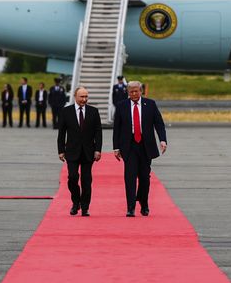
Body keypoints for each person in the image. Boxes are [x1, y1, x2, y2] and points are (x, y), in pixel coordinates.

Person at [112, 81, 167, 217]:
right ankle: (130, 207)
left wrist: (162, 139)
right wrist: (116, 147)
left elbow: (158, 123)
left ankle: (143, 202)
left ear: (141, 91)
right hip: (129, 146)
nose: (134, 94)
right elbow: (117, 128)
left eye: (136, 91)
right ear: (128, 92)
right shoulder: (121, 106)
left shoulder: (150, 104)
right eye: (131, 92)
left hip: (145, 145)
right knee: (129, 177)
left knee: (144, 177)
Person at [57, 87, 102, 216]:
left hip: (88, 151)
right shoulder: (66, 112)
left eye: (86, 97)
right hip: (71, 151)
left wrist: (98, 149)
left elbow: (98, 132)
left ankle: (85, 207)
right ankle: (75, 201)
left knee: (86, 180)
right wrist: (61, 150)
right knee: (72, 177)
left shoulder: (93, 112)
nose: (84, 99)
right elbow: (61, 133)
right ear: (75, 97)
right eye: (82, 97)